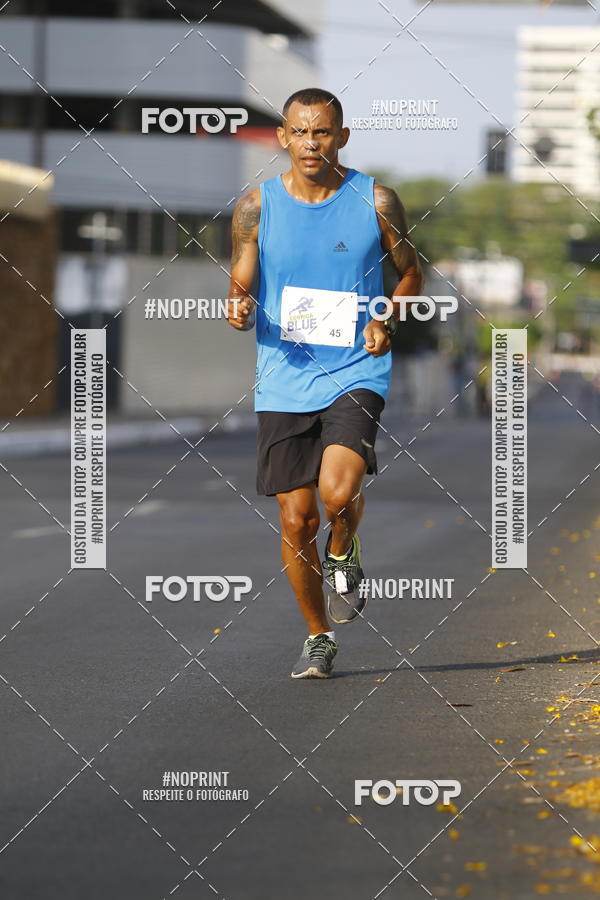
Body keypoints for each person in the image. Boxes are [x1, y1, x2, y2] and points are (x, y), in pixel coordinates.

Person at [227, 87, 423, 678]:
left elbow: (410, 272)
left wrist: (387, 317)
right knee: (296, 520)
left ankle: (344, 547)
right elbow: (241, 275)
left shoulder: (376, 200)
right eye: (300, 131)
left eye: (322, 132)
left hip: (355, 367)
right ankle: (319, 636)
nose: (310, 143)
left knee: (337, 495)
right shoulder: (255, 206)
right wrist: (237, 304)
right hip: (283, 373)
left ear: (342, 136)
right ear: (282, 137)